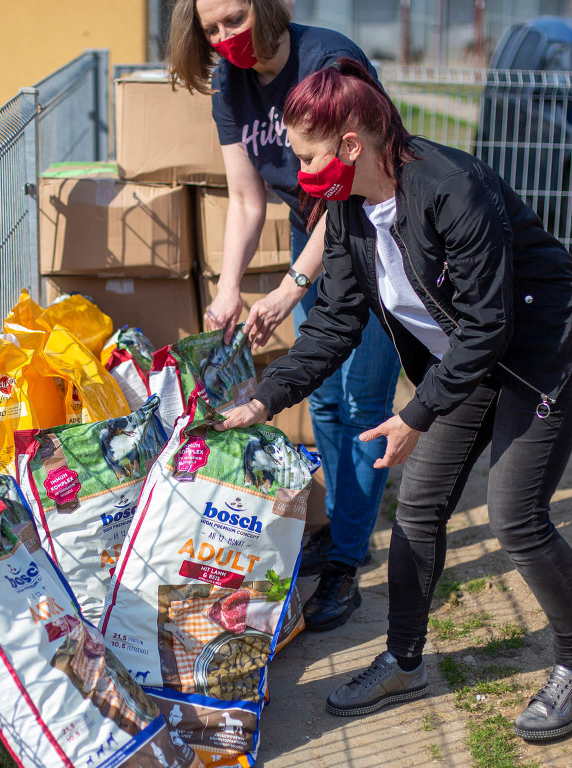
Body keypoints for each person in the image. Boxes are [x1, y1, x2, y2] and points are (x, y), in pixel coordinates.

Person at [218, 58, 572, 741]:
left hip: (544, 353)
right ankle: (404, 661)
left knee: (515, 515)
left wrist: (416, 414)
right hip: (470, 360)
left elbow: (490, 324)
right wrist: (263, 399)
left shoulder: (452, 188)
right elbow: (336, 320)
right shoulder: (345, 210)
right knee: (418, 508)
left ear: (349, 144)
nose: (298, 169)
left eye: (306, 154)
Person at [167, 0, 402, 631]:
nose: (225, 38)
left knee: (362, 398)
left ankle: (347, 562)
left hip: (375, 232)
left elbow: (356, 180)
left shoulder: (329, 62)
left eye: (235, 19)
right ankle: (347, 532)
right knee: (323, 396)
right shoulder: (228, 82)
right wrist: (229, 287)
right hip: (312, 233)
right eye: (212, 28)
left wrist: (293, 287)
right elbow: (245, 198)